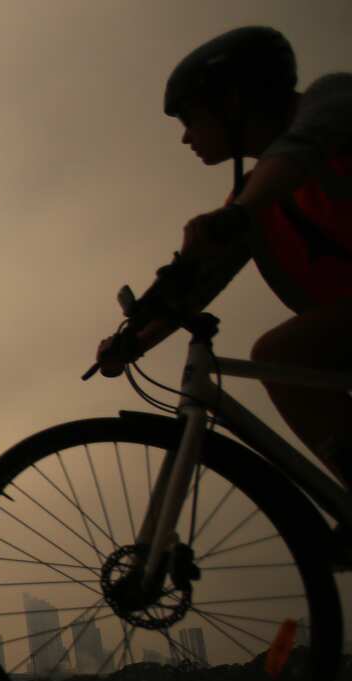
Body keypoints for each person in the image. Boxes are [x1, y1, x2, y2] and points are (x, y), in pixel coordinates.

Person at [97, 26, 352, 487]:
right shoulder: (256, 199)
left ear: (231, 102)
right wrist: (134, 339)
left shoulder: (333, 98)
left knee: (282, 353)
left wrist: (235, 214)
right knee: (285, 359)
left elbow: (302, 146)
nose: (185, 138)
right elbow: (198, 284)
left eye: (190, 120)